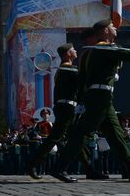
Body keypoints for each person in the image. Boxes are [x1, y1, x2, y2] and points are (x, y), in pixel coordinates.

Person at [46, 21, 130, 183]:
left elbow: (83, 79)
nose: (115, 28)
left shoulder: (93, 52)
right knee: (83, 133)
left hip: (100, 97)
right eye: (112, 26)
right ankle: (59, 168)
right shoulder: (104, 48)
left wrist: (83, 100)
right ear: (105, 31)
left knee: (116, 135)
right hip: (100, 97)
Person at [27, 44, 91, 178]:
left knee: (76, 138)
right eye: (73, 49)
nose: (75, 50)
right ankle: (32, 164)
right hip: (66, 108)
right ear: (68, 54)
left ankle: (88, 168)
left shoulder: (66, 68)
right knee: (55, 137)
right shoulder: (68, 68)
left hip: (67, 107)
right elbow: (83, 82)